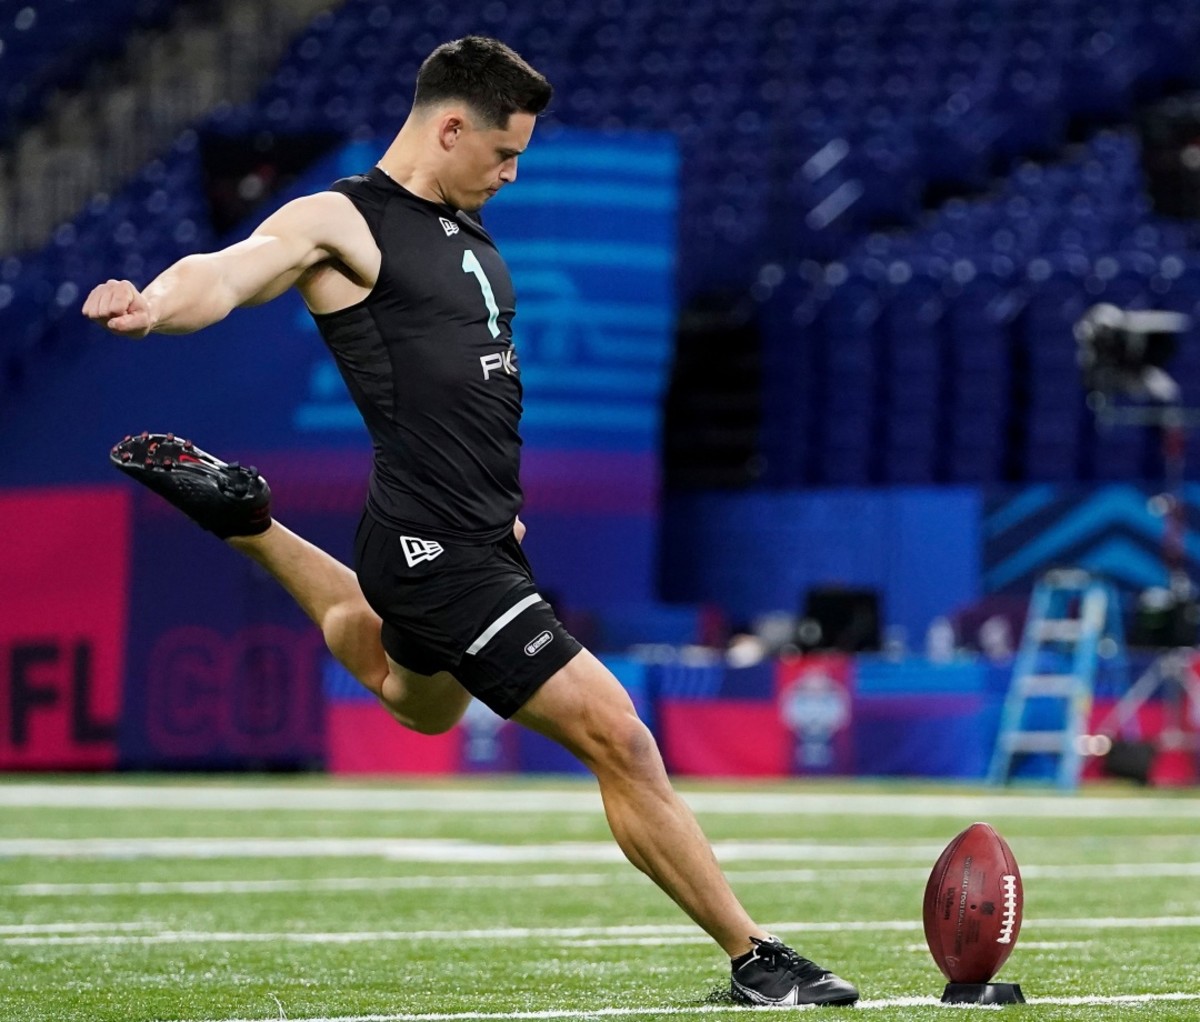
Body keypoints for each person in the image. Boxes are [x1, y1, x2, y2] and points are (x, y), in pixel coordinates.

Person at [82, 36, 858, 1007]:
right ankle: (756, 960)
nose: (513, 172)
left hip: (477, 537)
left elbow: (473, 402)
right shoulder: (345, 221)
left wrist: (503, 507)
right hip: (434, 549)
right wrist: (153, 303)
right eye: (503, 153)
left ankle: (250, 523)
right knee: (621, 737)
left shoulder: (480, 247)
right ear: (450, 126)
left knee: (417, 699)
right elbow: (234, 268)